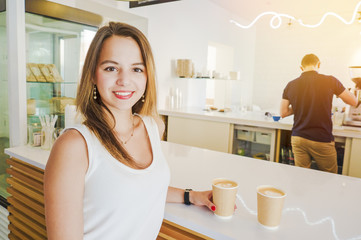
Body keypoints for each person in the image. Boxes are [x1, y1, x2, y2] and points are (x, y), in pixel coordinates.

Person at [44, 22, 216, 240]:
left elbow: (142, 187)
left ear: (147, 76)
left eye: (136, 69)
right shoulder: (74, 145)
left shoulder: (154, 127)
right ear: (92, 75)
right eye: (111, 68)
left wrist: (190, 196)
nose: (124, 80)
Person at [280, 53, 357, 173]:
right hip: (321, 138)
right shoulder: (330, 81)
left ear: (301, 68)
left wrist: (300, 104)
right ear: (319, 64)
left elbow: (283, 112)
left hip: (298, 137)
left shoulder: (290, 85)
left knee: (302, 176)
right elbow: (353, 101)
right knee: (330, 177)